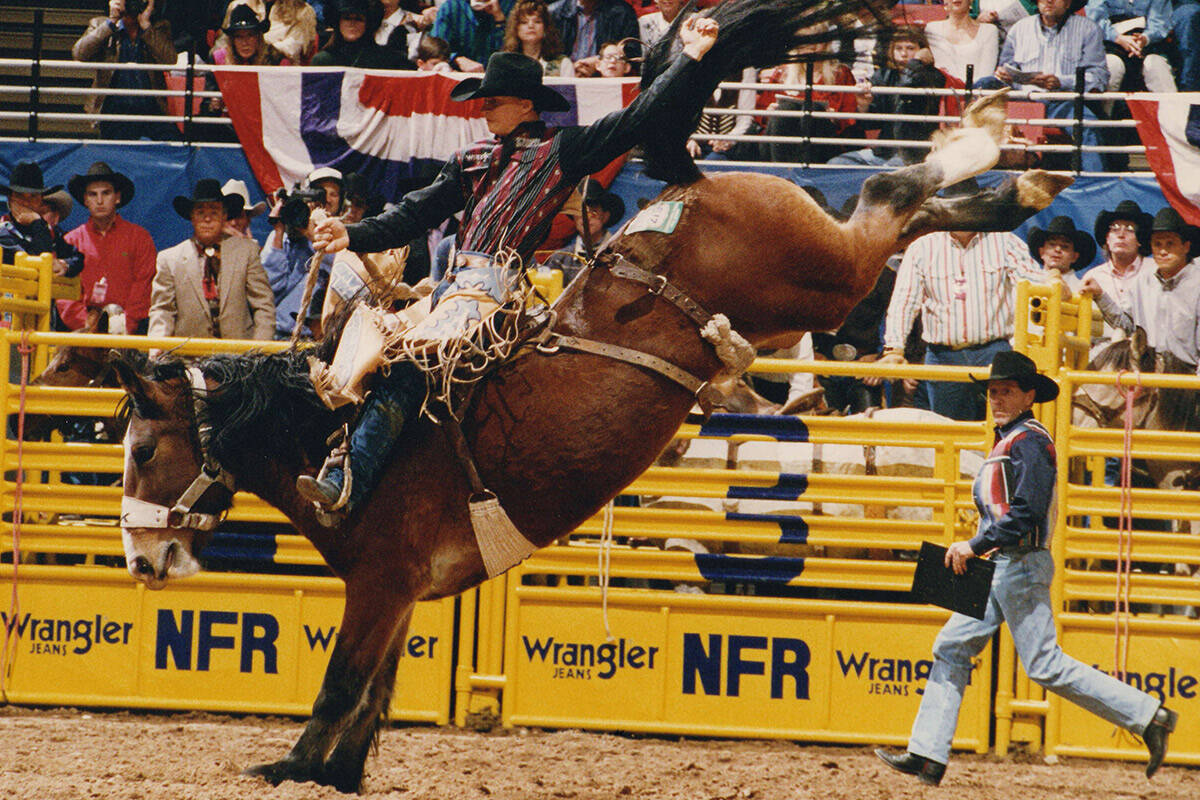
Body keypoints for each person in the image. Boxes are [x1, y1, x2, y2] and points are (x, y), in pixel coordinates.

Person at [297, 19, 721, 521]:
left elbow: (637, 119)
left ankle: (348, 479)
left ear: (525, 104)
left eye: (493, 100)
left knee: (412, 363)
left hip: (492, 295)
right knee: (362, 358)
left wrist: (689, 58)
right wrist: (352, 235)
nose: (483, 107)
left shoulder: (561, 151)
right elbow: (414, 214)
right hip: (450, 293)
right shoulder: (472, 159)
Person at [876, 350, 1179, 786]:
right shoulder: (1015, 440)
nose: (996, 399)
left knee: (1043, 664)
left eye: (1007, 392)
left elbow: (1027, 511)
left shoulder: (1029, 442)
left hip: (1016, 565)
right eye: (993, 392)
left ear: (1028, 395)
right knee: (953, 647)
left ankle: (1150, 716)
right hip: (1005, 566)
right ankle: (927, 754)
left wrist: (974, 544)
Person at [875, 216, 1053, 421]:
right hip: (943, 354)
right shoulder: (922, 248)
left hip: (994, 351)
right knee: (948, 430)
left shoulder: (1004, 241)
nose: (964, 215)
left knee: (1003, 423)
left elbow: (1035, 283)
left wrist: (1052, 280)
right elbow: (904, 301)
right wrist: (894, 348)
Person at [975, 0, 1110, 172]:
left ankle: (1095, 187)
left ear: (1068, 3)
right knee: (982, 85)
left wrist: (1062, 82)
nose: (1048, 1)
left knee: (1087, 125)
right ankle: (970, 170)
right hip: (1022, 100)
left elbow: (1098, 76)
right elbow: (1007, 66)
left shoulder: (1088, 29)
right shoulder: (1019, 28)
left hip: (1061, 101)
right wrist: (1006, 75)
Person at [148, 179, 275, 341]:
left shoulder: (246, 252)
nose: (207, 219)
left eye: (214, 212)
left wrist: (260, 348)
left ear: (224, 216)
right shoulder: (170, 259)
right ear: (191, 217)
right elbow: (162, 310)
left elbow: (264, 305)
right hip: (189, 356)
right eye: (201, 213)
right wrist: (158, 346)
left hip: (239, 357)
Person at [1082, 207, 1200, 372]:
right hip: (1148, 374)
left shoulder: (1197, 282)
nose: (1163, 251)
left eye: (1170, 244)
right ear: (1151, 248)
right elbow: (1127, 324)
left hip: (1189, 374)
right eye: (1157, 244)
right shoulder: (1142, 282)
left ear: (1186, 247)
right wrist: (1100, 295)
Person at [828, 26, 947, 167]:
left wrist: (916, 63)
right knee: (836, 163)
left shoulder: (934, 76)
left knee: (888, 172)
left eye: (910, 48)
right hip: (883, 151)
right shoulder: (883, 75)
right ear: (891, 50)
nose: (903, 53)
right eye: (899, 48)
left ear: (922, 51)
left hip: (914, 154)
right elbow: (870, 124)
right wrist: (863, 104)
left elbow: (905, 91)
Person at [58, 162, 155, 334]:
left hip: (130, 332)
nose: (100, 200)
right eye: (93, 194)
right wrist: (87, 326)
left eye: (106, 193)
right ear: (85, 200)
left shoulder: (140, 238)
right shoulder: (70, 241)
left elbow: (144, 287)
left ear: (117, 197)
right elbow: (64, 295)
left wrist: (126, 324)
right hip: (82, 333)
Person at [72, 0, 178, 141]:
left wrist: (146, 26)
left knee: (173, 146)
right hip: (114, 111)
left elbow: (170, 60)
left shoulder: (158, 27)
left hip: (151, 110)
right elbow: (79, 54)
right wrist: (111, 23)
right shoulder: (100, 24)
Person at [1078, 200, 1153, 354]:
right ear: (1107, 238)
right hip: (1100, 354)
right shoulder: (1093, 277)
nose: (1121, 234)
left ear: (1140, 239)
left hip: (1146, 353)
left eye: (1130, 229)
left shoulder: (1153, 271)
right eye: (1114, 229)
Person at [262, 187, 335, 339]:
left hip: (313, 335)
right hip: (279, 333)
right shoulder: (279, 239)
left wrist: (312, 234)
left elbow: (334, 269)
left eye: (310, 209)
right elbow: (269, 286)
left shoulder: (331, 236)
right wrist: (279, 231)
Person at [0, 162, 84, 278]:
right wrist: (37, 222)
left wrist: (65, 265)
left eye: (33, 197)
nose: (26, 203)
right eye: (19, 196)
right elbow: (37, 261)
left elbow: (77, 258)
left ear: (40, 200)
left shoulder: (48, 231)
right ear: (10, 200)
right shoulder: (3, 232)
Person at [1085, 0, 1177, 94]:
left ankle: (1172, 107)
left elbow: (1159, 23)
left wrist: (1144, 39)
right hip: (1111, 45)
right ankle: (1101, 108)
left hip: (1147, 45)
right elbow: (1095, 20)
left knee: (1157, 67)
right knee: (1112, 66)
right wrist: (1117, 38)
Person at [312, 0, 413, 68]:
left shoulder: (385, 59)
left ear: (367, 25)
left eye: (358, 19)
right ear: (338, 23)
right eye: (347, 18)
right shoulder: (322, 61)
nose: (352, 24)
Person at [925, 0, 1000, 85]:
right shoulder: (932, 29)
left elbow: (986, 75)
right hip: (944, 92)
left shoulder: (989, 31)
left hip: (978, 92)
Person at [432, 0, 516, 72]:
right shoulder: (451, 7)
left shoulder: (511, 6)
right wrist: (457, 59)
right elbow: (434, 47)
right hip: (458, 77)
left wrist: (499, 19)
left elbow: (514, 51)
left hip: (498, 78)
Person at [550, 0, 639, 65]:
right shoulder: (554, 13)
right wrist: (568, 67)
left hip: (606, 78)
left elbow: (632, 52)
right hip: (564, 77)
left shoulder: (622, 12)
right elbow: (546, 53)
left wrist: (601, 60)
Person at [1025, 215, 1097, 291]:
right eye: (1052, 244)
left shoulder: (1082, 289)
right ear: (1041, 252)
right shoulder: (1027, 283)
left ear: (1075, 257)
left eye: (1065, 246)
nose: (1058, 249)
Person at [504, 0, 573, 77]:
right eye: (524, 22)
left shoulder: (563, 64)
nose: (531, 25)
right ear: (515, 28)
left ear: (546, 28)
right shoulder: (506, 64)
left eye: (537, 21)